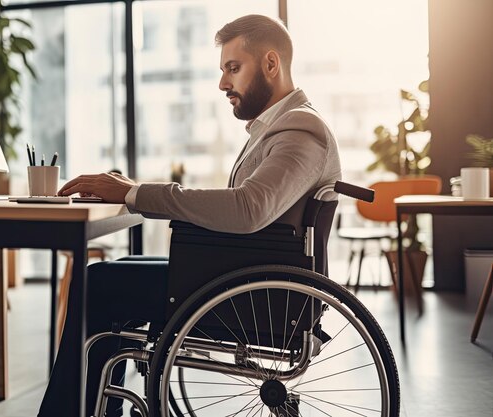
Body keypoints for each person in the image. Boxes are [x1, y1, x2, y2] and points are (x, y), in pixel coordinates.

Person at [38, 14, 341, 417]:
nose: (223, 83)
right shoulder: (280, 128)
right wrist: (134, 189)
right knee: (120, 269)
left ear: (271, 64)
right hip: (247, 277)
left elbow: (248, 209)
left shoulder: (300, 130)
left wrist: (134, 194)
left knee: (100, 283)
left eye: (233, 68)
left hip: (259, 294)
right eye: (223, 71)